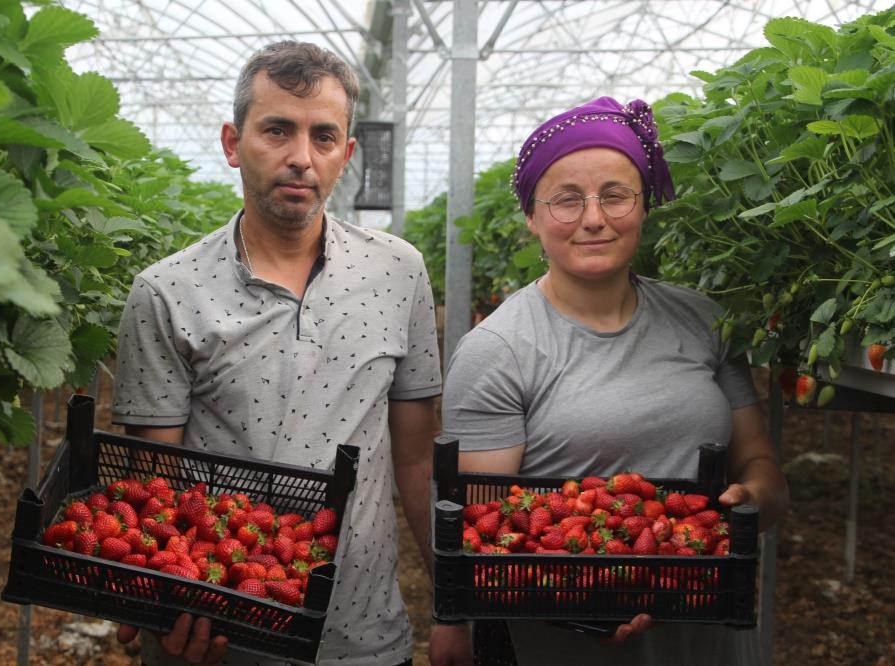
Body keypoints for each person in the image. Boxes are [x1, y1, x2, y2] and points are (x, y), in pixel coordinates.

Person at [110, 41, 471, 666]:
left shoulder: (398, 271)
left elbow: (415, 457)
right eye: (277, 129)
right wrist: (155, 602)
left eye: (324, 137)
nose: (301, 157)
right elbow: (153, 482)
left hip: (361, 636)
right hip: (216, 632)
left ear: (347, 155)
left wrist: (456, 604)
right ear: (232, 142)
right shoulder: (167, 291)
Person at [441, 96, 789, 666]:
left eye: (616, 194)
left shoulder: (703, 319)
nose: (594, 218)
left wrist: (747, 504)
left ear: (644, 206)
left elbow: (762, 468)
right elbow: (482, 530)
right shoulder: (498, 350)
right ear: (531, 216)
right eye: (566, 200)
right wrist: (579, 602)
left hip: (710, 638)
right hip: (566, 641)